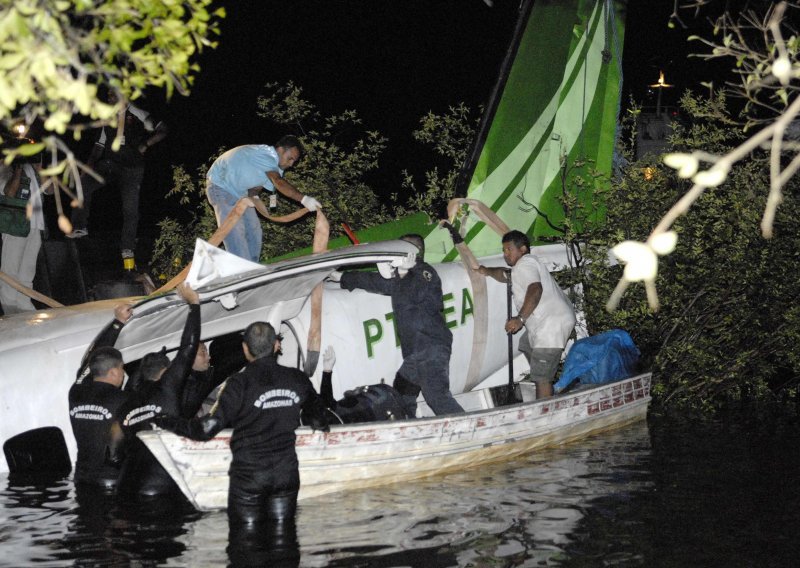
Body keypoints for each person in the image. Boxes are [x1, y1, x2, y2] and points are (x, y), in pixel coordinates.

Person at [156, 321, 330, 527]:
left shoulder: (238, 383)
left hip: (249, 477)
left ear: (245, 349)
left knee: (245, 540)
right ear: (276, 345)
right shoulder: (297, 378)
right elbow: (319, 417)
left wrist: (168, 422)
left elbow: (206, 429)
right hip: (285, 475)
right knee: (284, 535)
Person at [333, 234, 464, 417]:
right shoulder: (403, 278)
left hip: (431, 349)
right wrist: (342, 277)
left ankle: (474, 428)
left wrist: (404, 273)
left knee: (436, 396)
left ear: (411, 253)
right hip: (415, 355)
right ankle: (409, 427)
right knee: (400, 398)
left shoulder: (426, 273)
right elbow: (374, 282)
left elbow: (416, 293)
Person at [116, 283, 201, 497]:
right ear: (166, 372)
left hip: (127, 488)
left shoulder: (126, 401)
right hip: (162, 487)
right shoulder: (167, 388)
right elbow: (188, 349)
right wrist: (194, 305)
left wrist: (117, 323)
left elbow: (114, 453)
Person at [68, 98, 168, 269]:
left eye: (113, 95)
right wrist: (88, 167)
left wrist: (145, 144)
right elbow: (98, 147)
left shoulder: (137, 113)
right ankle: (79, 226)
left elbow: (162, 130)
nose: (110, 99)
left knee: (130, 208)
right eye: (108, 96)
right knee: (83, 183)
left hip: (131, 167)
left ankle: (127, 247)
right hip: (109, 165)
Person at [477, 230, 576, 399]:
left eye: (509, 249)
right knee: (525, 344)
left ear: (522, 249)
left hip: (551, 325)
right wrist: (486, 270)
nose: (505, 254)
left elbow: (535, 289)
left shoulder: (525, 264)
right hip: (548, 322)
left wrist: (520, 319)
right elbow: (505, 275)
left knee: (541, 378)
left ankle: (544, 413)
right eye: (504, 250)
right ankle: (548, 384)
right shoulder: (524, 266)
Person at [205, 136, 323, 262]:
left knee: (254, 229)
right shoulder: (267, 155)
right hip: (220, 186)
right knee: (235, 229)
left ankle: (253, 267)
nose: (291, 164)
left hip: (241, 194)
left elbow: (257, 186)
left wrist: (254, 197)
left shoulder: (275, 168)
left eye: (294, 161)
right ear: (280, 149)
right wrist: (304, 199)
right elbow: (278, 182)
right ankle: (241, 271)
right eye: (290, 158)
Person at [68, 302, 134, 489]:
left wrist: (117, 323)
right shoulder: (124, 400)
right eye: (122, 369)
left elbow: (92, 361)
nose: (123, 374)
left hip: (81, 479)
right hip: (112, 482)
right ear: (113, 372)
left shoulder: (75, 391)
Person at [0, 159, 46, 314]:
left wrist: (40, 170)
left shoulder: (32, 167)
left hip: (35, 225)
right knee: (10, 272)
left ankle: (24, 305)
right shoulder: (6, 166)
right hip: (15, 226)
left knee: (27, 273)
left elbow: (51, 190)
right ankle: (10, 310)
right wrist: (18, 168)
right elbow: (9, 192)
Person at [319, 345, 409, 423]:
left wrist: (327, 370)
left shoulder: (329, 415)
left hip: (378, 401)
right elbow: (328, 407)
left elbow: (327, 405)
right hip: (377, 410)